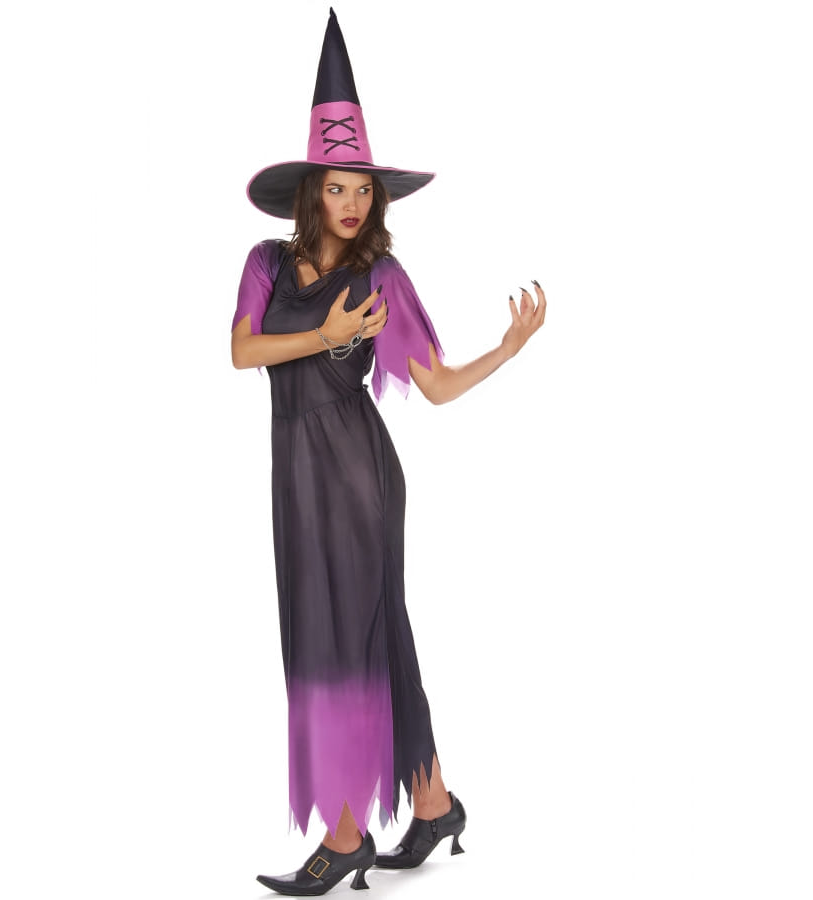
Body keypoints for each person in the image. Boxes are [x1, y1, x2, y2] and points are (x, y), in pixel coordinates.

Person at [231, 11, 545, 896]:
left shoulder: (383, 278)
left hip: (358, 476)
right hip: (295, 473)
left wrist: (505, 350)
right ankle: (433, 802)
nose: (353, 203)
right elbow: (243, 351)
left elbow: (434, 385)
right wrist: (324, 335)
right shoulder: (264, 263)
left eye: (363, 189)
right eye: (337, 188)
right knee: (355, 630)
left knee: (346, 634)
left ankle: (345, 835)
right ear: (311, 194)